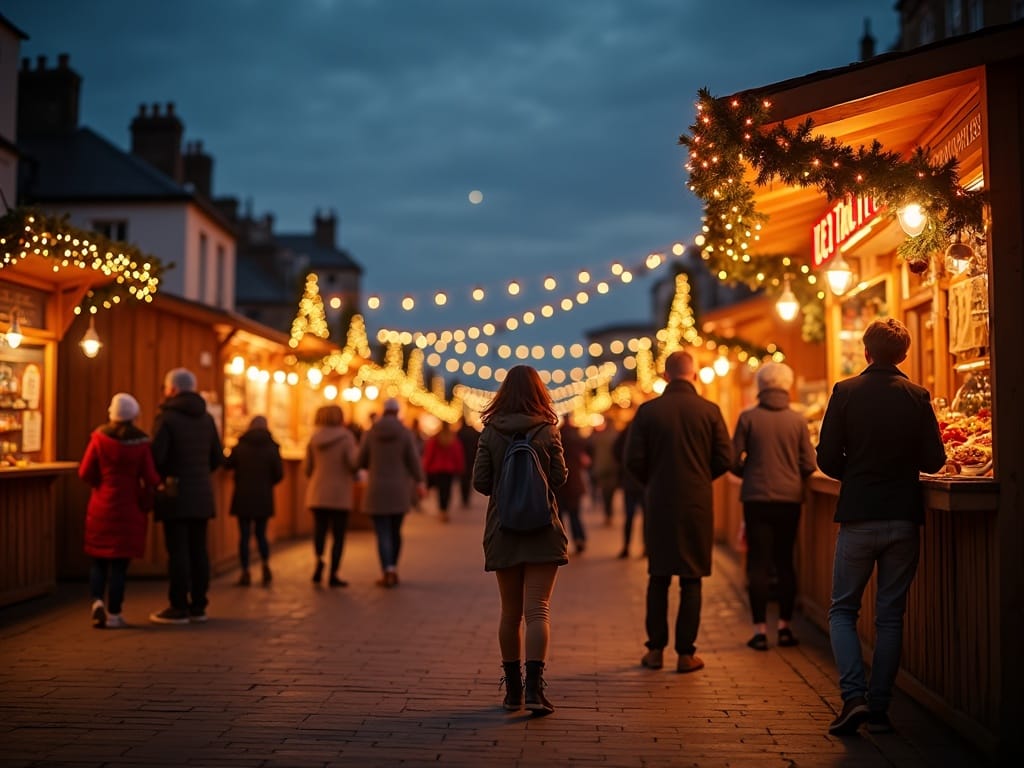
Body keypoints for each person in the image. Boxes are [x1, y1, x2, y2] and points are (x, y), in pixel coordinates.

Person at [816, 318, 946, 736]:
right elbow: (933, 461)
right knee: (891, 616)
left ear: (865, 352)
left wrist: (854, 473)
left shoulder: (846, 392)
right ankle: (880, 708)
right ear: (904, 355)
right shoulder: (917, 396)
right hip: (903, 517)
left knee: (842, 610)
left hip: (858, 515)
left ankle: (853, 697)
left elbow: (826, 459)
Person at [624, 350, 731, 674]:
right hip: (697, 504)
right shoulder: (710, 411)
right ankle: (686, 654)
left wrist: (653, 481)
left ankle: (655, 651)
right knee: (691, 578)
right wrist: (699, 478)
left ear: (666, 376)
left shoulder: (648, 412)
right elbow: (725, 459)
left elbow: (632, 459)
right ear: (694, 375)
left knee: (658, 577)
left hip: (659, 502)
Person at [472, 365, 568, 716]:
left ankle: (512, 692)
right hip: (543, 530)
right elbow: (558, 479)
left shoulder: (490, 431)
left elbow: (481, 483)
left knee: (510, 613)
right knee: (537, 610)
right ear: (538, 392)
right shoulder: (547, 430)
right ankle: (534, 691)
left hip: (504, 530)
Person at [730, 362, 816, 651]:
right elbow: (808, 464)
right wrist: (790, 474)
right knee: (785, 562)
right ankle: (785, 628)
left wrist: (750, 472)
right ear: (787, 386)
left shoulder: (748, 418)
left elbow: (732, 459)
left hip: (755, 499)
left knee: (759, 564)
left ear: (761, 386)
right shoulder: (797, 420)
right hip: (789, 499)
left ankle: (759, 631)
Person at [78, 393, 161, 629]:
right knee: (119, 566)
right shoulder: (142, 443)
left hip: (101, 505)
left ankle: (96, 602)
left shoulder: (99, 438)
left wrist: (100, 483)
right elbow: (151, 477)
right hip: (129, 508)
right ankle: (114, 614)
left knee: (98, 561)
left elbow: (85, 472)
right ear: (133, 416)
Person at [149, 368, 224, 625]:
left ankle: (178, 606)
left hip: (175, 493)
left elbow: (156, 457)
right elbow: (217, 458)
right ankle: (199, 606)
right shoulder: (207, 419)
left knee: (178, 551)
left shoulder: (166, 418)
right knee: (199, 550)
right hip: (202, 494)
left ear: (172, 389)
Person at [357, 398, 425, 587]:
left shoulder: (371, 433)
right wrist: (420, 481)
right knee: (395, 531)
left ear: (383, 411)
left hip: (376, 490)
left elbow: (360, 461)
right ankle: (393, 568)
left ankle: (387, 569)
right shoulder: (405, 434)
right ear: (397, 413)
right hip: (398, 490)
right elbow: (413, 461)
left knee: (382, 532)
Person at [224, 415, 284, 587]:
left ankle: (245, 571)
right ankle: (265, 565)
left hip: (242, 495)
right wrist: (267, 484)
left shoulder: (240, 446)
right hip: (263, 496)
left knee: (244, 536)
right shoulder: (272, 448)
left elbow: (227, 464)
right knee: (261, 534)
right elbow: (279, 474)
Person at [304, 404, 360, 587]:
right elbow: (353, 464)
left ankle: (319, 560)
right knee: (338, 535)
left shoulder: (313, 438)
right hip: (339, 493)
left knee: (319, 530)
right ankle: (334, 573)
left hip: (318, 492)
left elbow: (308, 469)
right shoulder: (347, 437)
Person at [555, 417, 589, 554]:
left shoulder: (558, 436)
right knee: (575, 515)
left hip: (560, 486)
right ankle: (580, 539)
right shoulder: (577, 439)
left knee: (560, 516)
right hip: (574, 484)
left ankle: (560, 543)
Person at [613, 416, 644, 559]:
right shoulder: (646, 431)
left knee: (629, 516)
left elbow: (615, 451)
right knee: (647, 517)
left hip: (630, 481)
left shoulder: (625, 433)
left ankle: (626, 547)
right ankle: (647, 548)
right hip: (644, 482)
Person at [421, 420, 465, 522]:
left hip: (437, 469)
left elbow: (429, 454)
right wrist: (459, 467)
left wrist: (426, 466)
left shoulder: (435, 438)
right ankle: (445, 510)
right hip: (449, 469)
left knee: (440, 491)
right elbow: (458, 454)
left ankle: (441, 511)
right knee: (447, 490)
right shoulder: (453, 439)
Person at [588, 418, 621, 526]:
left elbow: (590, 447)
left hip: (601, 468)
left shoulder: (599, 437)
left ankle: (608, 514)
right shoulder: (616, 437)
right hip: (612, 468)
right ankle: (609, 514)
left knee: (604, 492)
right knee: (610, 492)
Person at [456, 419, 481, 509]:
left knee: (463, 479)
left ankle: (464, 498)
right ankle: (467, 498)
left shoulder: (459, 433)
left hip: (462, 458)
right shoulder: (473, 432)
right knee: (469, 478)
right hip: (471, 458)